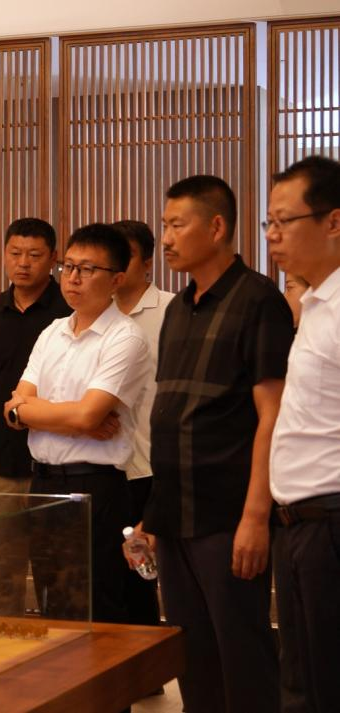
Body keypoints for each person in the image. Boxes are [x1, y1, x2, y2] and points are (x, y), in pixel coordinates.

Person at [139, 175, 291, 713]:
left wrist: (256, 516)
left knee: (242, 653)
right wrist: (153, 514)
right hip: (175, 511)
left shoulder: (259, 300)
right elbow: (170, 416)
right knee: (193, 653)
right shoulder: (178, 308)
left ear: (217, 226)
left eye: (178, 225)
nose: (167, 238)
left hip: (227, 512)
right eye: (164, 225)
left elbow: (272, 416)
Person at [4, 223, 150, 623]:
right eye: (68, 267)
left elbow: (87, 414)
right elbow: (12, 409)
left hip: (96, 486)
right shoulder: (52, 332)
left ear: (116, 279)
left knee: (98, 602)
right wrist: (72, 419)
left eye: (87, 269)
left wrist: (39, 413)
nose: (73, 278)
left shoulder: (125, 338)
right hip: (43, 482)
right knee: (52, 599)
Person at [264, 155, 340, 713]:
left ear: (333, 222)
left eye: (284, 221)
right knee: (300, 683)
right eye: (269, 222)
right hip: (296, 523)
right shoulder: (314, 303)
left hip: (330, 520)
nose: (273, 235)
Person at [0, 218, 71, 616]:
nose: (23, 263)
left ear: (53, 258)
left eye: (34, 255)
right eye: (15, 253)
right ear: (4, 255)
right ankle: (2, 644)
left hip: (56, 461)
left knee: (57, 570)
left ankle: (60, 647)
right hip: (2, 460)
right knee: (2, 568)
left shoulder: (69, 311)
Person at [111, 219, 174, 627]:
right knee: (111, 577)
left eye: (127, 255)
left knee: (146, 576)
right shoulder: (93, 313)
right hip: (106, 462)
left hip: (152, 463)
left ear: (148, 262)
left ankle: (149, 657)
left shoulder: (171, 310)